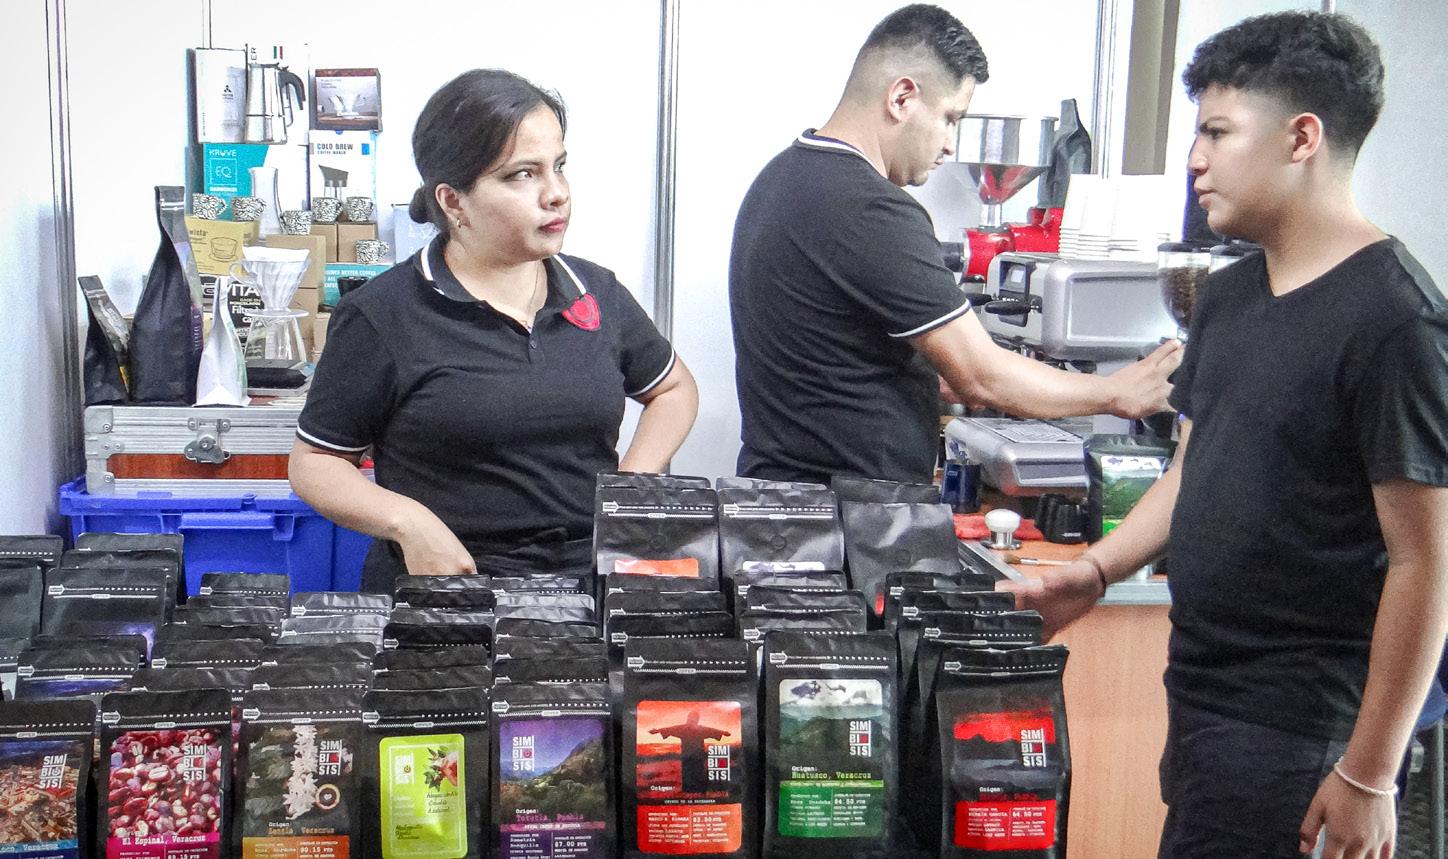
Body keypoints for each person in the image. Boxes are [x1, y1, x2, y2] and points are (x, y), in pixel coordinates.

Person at [1014, 12, 1448, 858]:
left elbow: (1425, 561)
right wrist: (1096, 570)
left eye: (1217, 132)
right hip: (1205, 695)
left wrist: (1369, 772)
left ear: (1302, 138)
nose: (1195, 159)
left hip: (1305, 724)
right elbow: (1195, 462)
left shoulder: (1396, 320)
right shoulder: (1231, 296)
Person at [728, 4, 1183, 485]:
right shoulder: (870, 207)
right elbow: (981, 376)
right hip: (850, 513)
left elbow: (827, 356)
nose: (950, 143)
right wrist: (1117, 393)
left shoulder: (781, 178)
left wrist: (927, 375)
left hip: (780, 496)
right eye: (950, 117)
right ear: (902, 97)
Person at [290, 69, 699, 591]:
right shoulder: (383, 314)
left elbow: (673, 389)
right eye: (522, 175)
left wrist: (628, 489)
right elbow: (316, 462)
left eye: (559, 167)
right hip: (451, 589)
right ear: (453, 201)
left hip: (587, 590)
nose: (556, 194)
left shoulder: (594, 290)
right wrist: (409, 523)